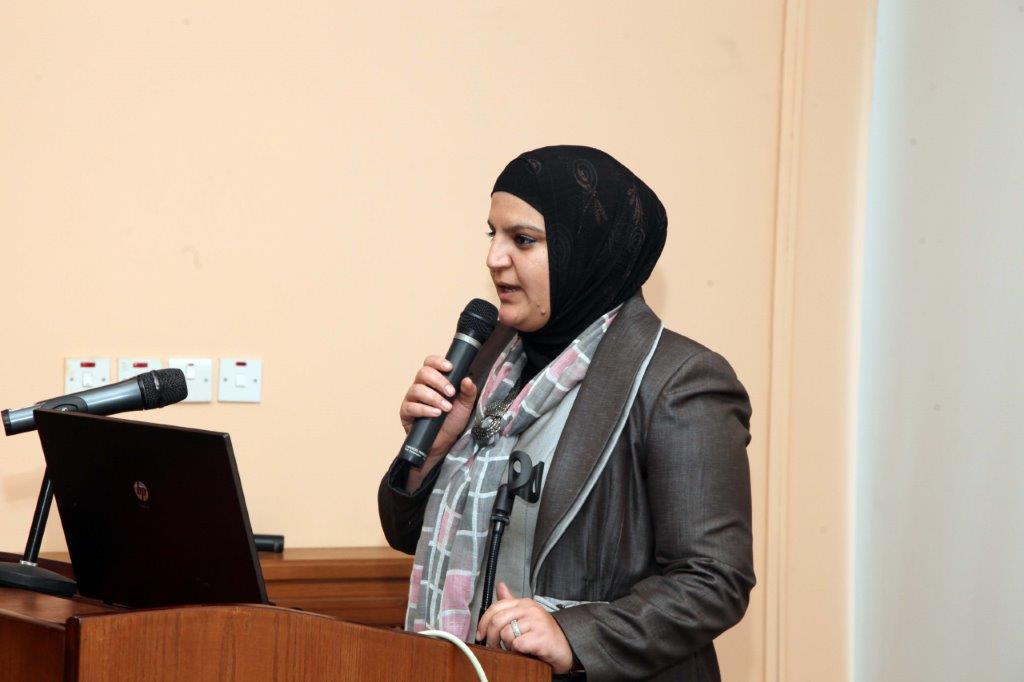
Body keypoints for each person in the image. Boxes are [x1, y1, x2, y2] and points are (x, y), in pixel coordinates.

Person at [378, 145, 754, 681]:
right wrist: (431, 453)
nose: (494, 258)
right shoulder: (489, 357)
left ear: (588, 250)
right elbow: (405, 535)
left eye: (523, 239)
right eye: (493, 234)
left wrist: (573, 635)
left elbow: (714, 579)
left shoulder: (680, 379)